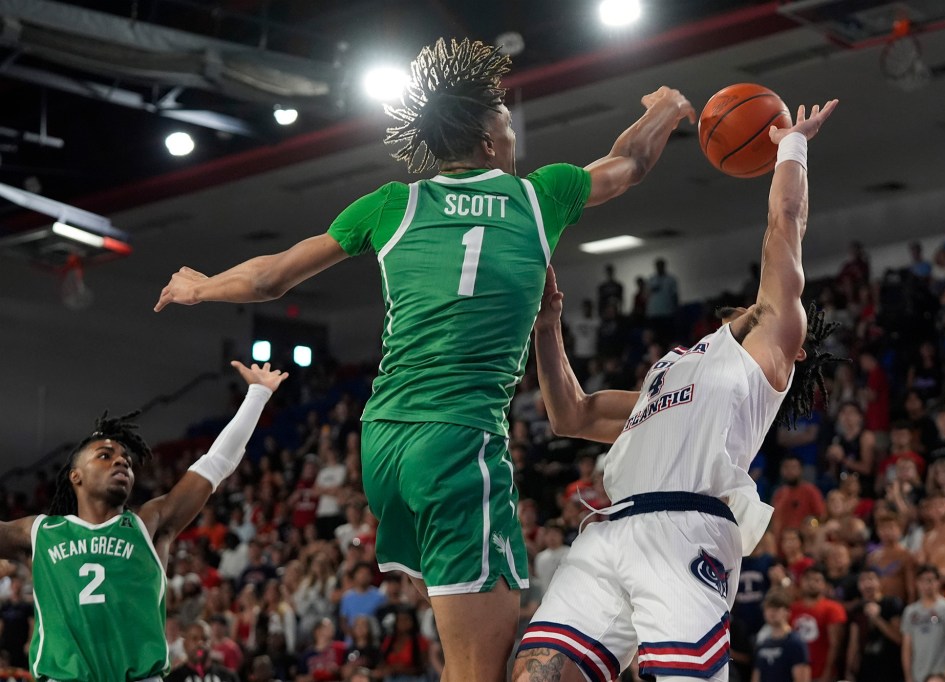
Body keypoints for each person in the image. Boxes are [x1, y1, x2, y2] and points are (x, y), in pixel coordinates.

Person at [154, 37, 695, 682]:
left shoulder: (392, 204)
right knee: (480, 670)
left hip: (383, 443)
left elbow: (271, 278)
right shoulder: (537, 196)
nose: (512, 130)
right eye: (505, 121)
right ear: (491, 144)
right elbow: (628, 163)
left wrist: (200, 286)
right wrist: (666, 107)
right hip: (457, 443)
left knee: (456, 646)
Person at [513, 99, 839, 681]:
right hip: (610, 531)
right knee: (536, 672)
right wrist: (547, 327)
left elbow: (783, 225)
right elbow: (573, 415)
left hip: (685, 528)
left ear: (795, 350)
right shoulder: (673, 371)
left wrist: (792, 145)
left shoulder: (761, 359)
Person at [0, 361, 286, 682]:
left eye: (126, 459)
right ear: (75, 476)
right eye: (105, 455)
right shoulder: (40, 532)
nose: (121, 460)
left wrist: (258, 395)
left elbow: (215, 465)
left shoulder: (147, 524)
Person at [901, 565, 945, 682]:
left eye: (930, 580)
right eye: (922, 580)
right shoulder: (910, 612)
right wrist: (908, 676)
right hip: (917, 674)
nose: (927, 585)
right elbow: (907, 647)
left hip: (940, 674)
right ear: (917, 583)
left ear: (938, 582)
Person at [753, 588, 810, 682]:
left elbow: (802, 678)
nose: (772, 612)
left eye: (776, 608)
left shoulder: (795, 643)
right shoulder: (763, 643)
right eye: (768, 608)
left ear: (787, 612)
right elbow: (756, 676)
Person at [165, 620, 241, 682]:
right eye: (194, 639)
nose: (200, 643)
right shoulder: (172, 678)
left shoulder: (228, 677)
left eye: (205, 638)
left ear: (211, 643)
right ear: (185, 644)